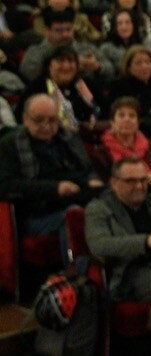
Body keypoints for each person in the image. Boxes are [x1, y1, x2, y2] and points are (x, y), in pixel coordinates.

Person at [85, 156, 151, 333]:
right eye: (131, 181)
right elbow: (99, 245)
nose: (140, 186)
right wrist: (147, 242)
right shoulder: (98, 209)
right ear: (114, 183)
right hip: (132, 272)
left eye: (143, 180)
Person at [0, 95, 103, 256]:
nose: (46, 126)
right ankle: (75, 272)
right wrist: (55, 188)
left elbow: (87, 169)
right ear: (25, 119)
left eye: (52, 120)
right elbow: (6, 186)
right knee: (73, 216)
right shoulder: (10, 145)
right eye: (39, 120)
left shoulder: (68, 138)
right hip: (37, 211)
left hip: (78, 197)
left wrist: (93, 180)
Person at [93, 97, 151, 190]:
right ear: (112, 123)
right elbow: (103, 183)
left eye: (132, 116)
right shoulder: (102, 152)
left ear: (138, 123)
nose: (127, 119)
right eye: (121, 115)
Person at [21, 7, 114, 87]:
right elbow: (29, 73)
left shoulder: (87, 49)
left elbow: (110, 70)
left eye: (68, 29)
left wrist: (97, 67)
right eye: (59, 31)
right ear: (47, 31)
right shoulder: (36, 50)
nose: (65, 34)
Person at [21, 45, 101, 132]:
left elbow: (105, 111)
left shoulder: (86, 85)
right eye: (60, 61)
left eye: (70, 61)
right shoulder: (37, 88)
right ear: (49, 65)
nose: (66, 66)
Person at [105, 45, 151, 130]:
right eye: (138, 63)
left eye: (147, 62)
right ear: (128, 68)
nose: (144, 66)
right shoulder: (118, 86)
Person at [32, 0, 103, 44]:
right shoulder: (40, 19)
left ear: (70, 1)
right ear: (47, 0)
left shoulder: (80, 18)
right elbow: (41, 39)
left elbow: (96, 36)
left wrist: (81, 33)